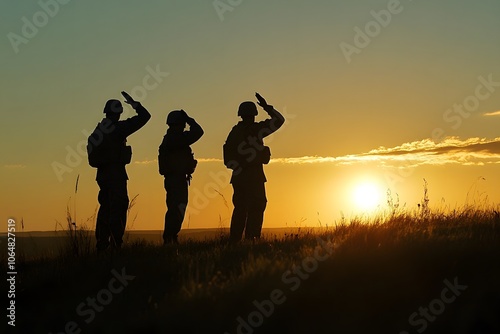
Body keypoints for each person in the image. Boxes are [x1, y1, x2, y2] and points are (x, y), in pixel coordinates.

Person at [87, 92, 151, 251]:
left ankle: (102, 243)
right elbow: (144, 117)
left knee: (105, 209)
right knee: (118, 208)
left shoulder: (98, 131)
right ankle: (116, 243)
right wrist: (135, 105)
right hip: (116, 175)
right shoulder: (118, 129)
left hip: (102, 176)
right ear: (118, 113)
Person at [223, 93, 285, 241]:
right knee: (256, 206)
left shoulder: (234, 132)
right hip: (253, 176)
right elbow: (279, 120)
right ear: (254, 114)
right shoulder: (256, 130)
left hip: (238, 177)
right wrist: (266, 107)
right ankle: (252, 239)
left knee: (240, 209)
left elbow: (227, 157)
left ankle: (235, 240)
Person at [158, 110, 204, 244]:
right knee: (176, 209)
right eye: (183, 124)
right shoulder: (175, 139)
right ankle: (170, 238)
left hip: (176, 179)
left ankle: (171, 237)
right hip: (176, 179)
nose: (184, 127)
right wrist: (190, 120)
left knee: (176, 208)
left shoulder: (172, 138)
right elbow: (198, 132)